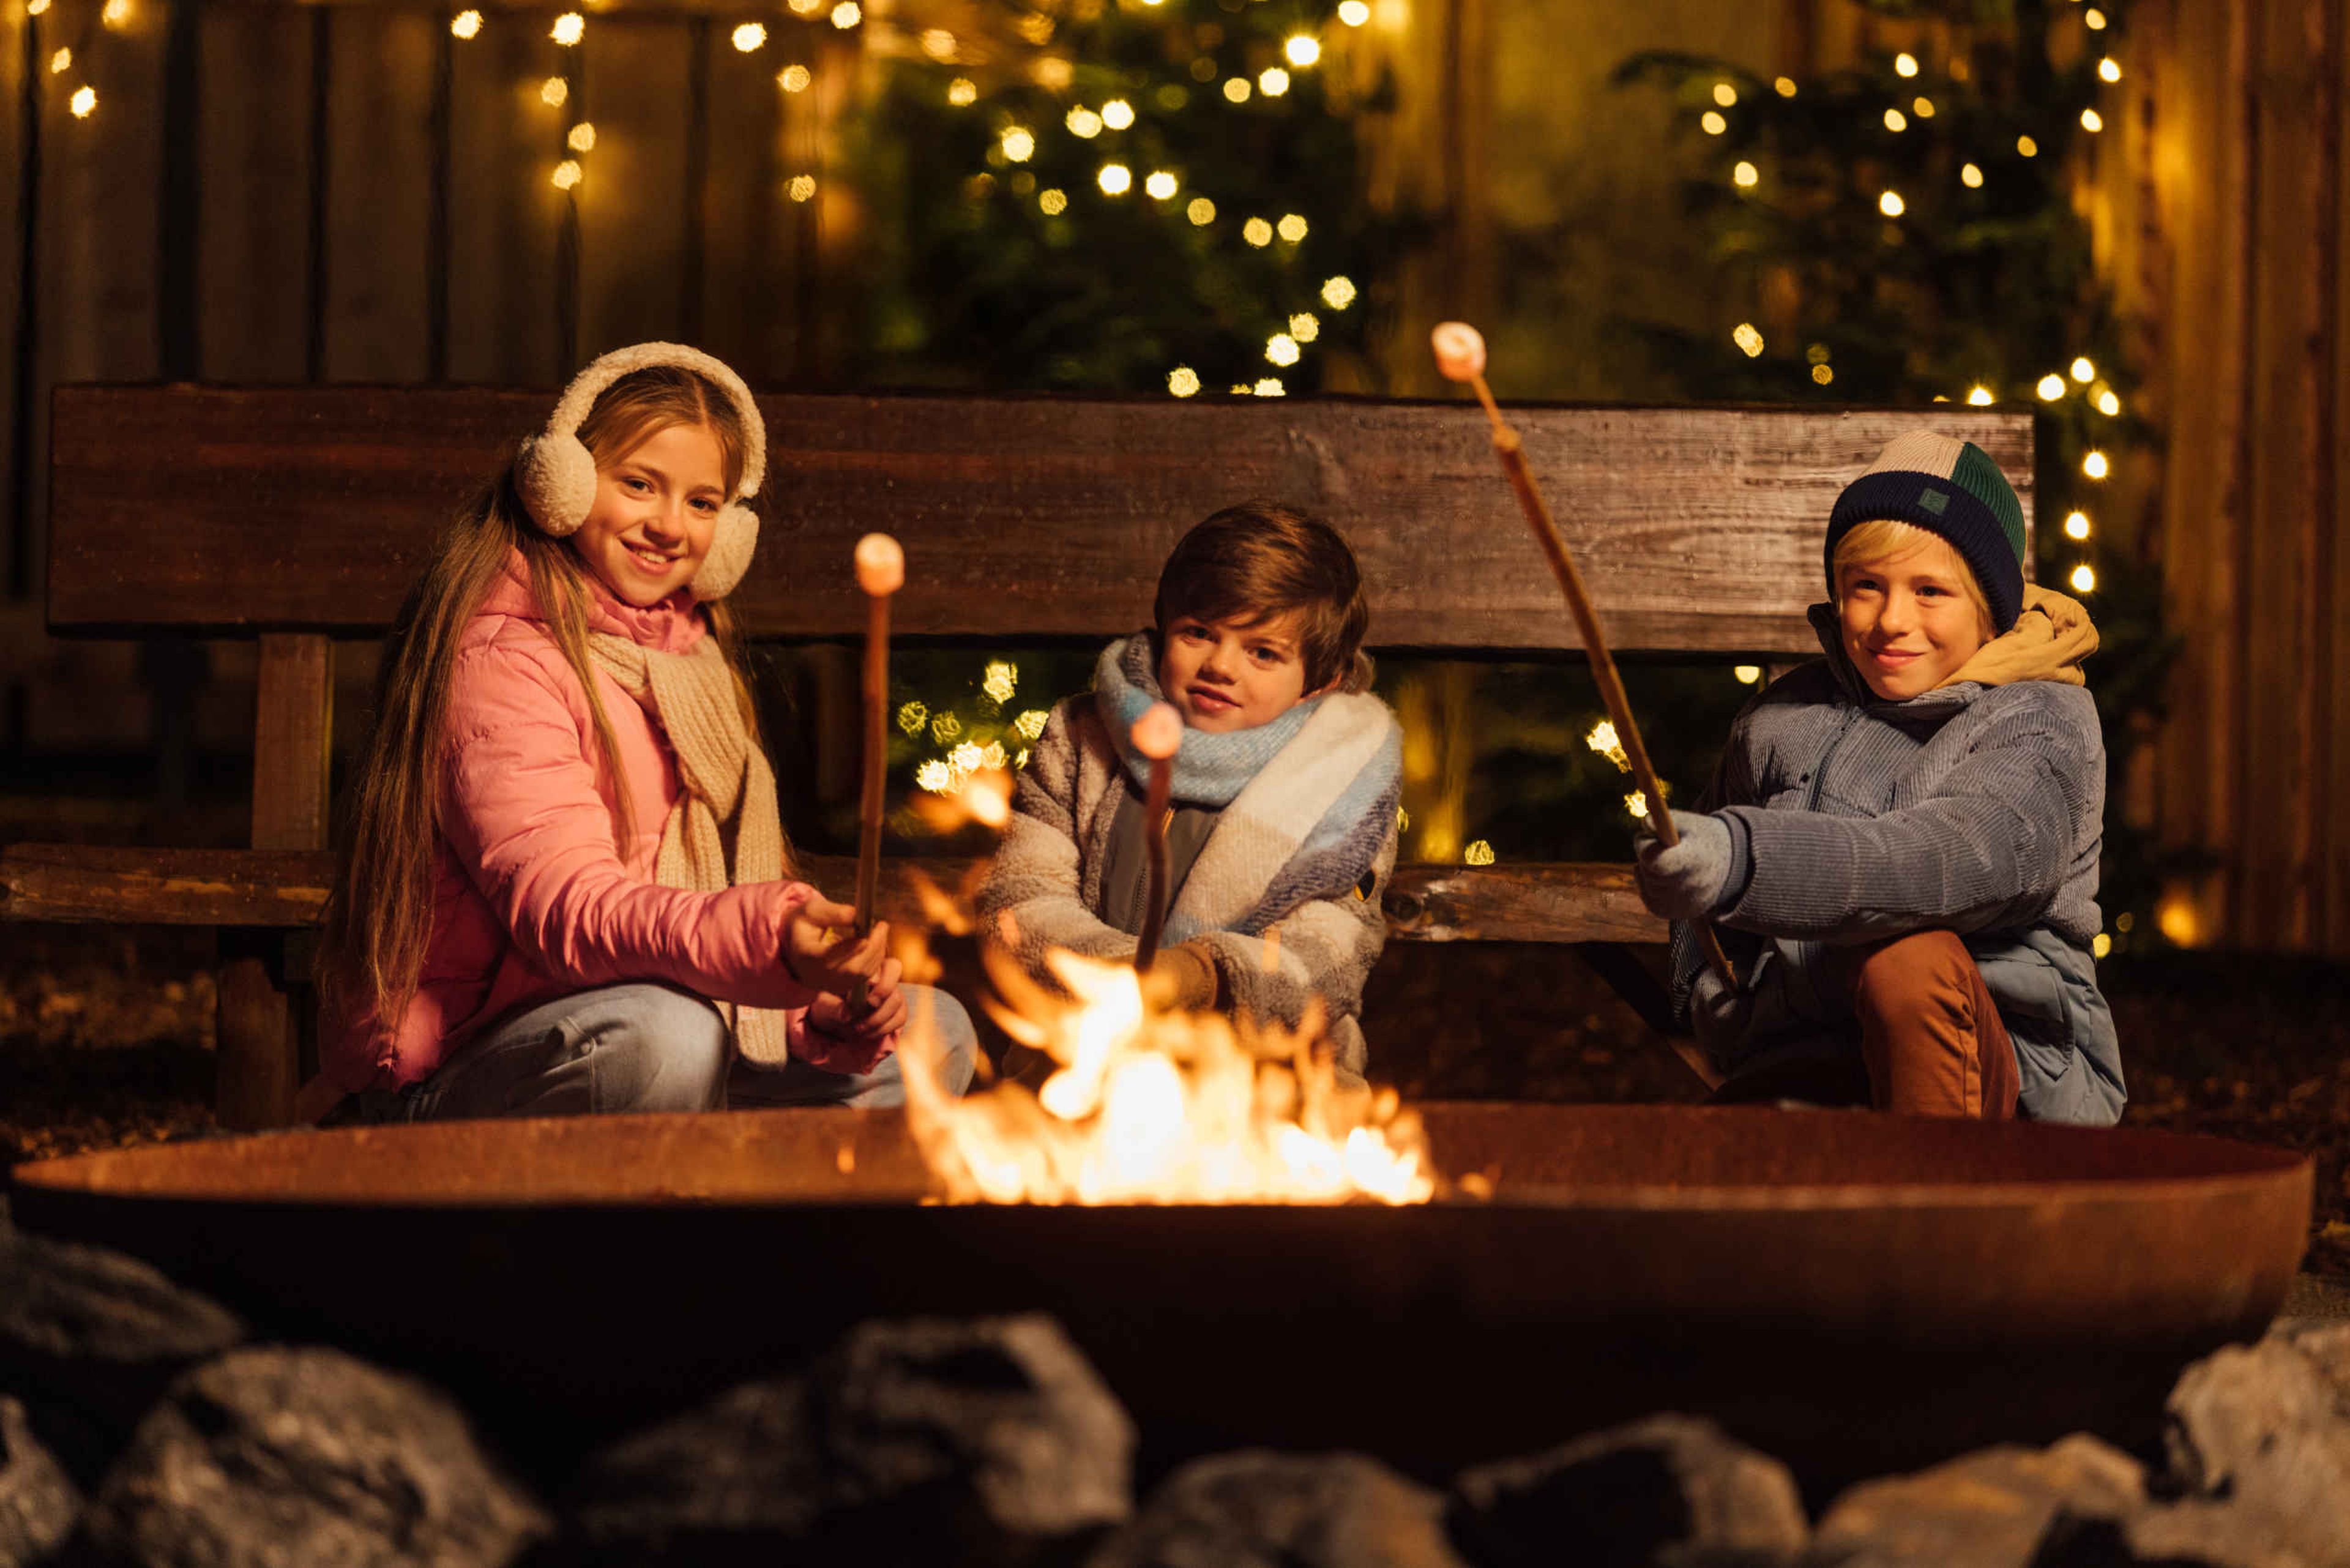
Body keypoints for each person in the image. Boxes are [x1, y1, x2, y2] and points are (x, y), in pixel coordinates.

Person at [313, 342, 975, 1121]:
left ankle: (726, 1207)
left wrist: (810, 1011)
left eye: (702, 503)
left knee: (940, 1036)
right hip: (477, 1061)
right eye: (638, 485)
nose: (670, 526)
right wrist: (767, 942)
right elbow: (565, 912)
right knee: (668, 1040)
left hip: (657, 1019)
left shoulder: (688, 664)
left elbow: (696, 898)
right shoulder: (501, 659)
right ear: (561, 484)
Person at [1631, 431, 2123, 1123]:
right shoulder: (1782, 715)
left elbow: (1951, 861)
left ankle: (1937, 1213)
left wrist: (1747, 860)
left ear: (1990, 606)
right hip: (1804, 1056)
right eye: (1867, 587)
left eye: (1931, 591)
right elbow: (1712, 853)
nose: (1893, 621)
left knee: (1906, 957)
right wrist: (1707, 989)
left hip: (1999, 1081)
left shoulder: (2038, 718)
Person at [977, 501, 1403, 1085]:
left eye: (1263, 652)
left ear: (1319, 682)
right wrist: (1131, 983)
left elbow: (1327, 956)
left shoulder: (1346, 778)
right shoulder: (1085, 737)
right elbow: (1020, 900)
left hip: (1271, 1079)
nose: (1221, 666)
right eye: (1199, 633)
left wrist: (1198, 977)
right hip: (1082, 1055)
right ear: (1164, 629)